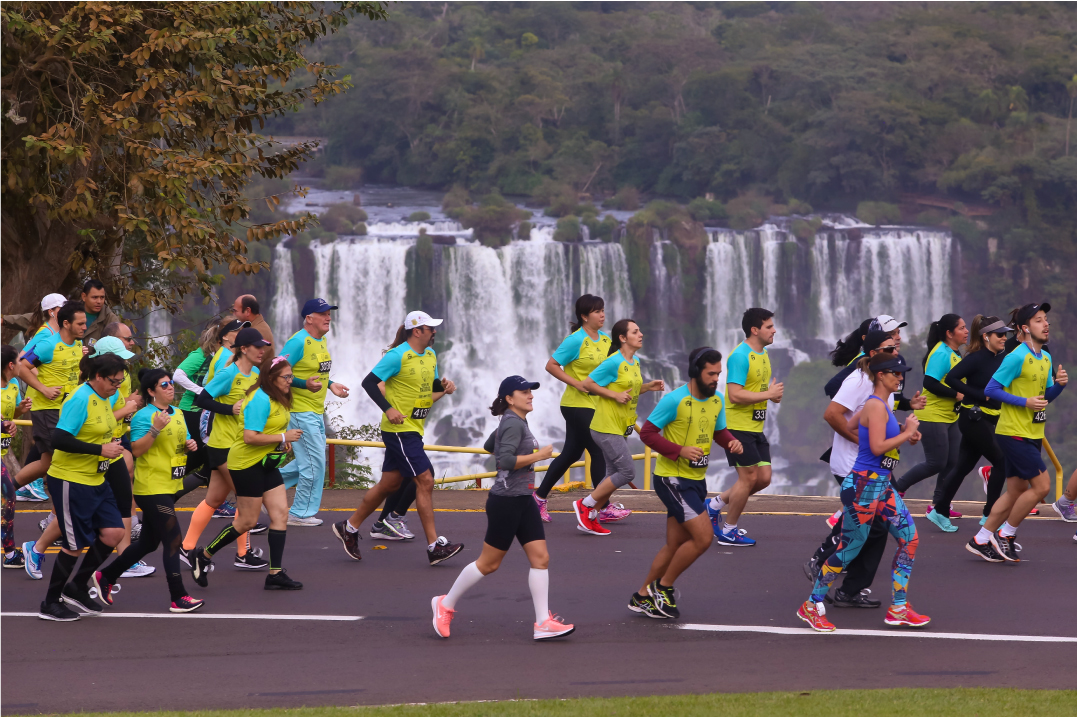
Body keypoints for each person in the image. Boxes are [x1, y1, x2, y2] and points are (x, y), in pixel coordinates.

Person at [431, 376, 573, 641]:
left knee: (540, 558)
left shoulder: (514, 421)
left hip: (523, 499)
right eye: (524, 392)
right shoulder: (512, 422)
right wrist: (538, 456)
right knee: (489, 564)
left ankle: (543, 622)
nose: (530, 395)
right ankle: (445, 603)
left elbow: (489, 446)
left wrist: (506, 433)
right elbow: (505, 461)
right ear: (509, 398)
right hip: (506, 502)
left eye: (531, 391)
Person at [799, 352, 928, 632]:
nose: (901, 377)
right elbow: (880, 447)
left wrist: (904, 432)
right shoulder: (875, 405)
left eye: (901, 373)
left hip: (880, 486)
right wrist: (907, 433)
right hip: (863, 486)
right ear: (880, 375)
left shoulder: (879, 404)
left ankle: (899, 608)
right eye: (895, 373)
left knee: (910, 539)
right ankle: (811, 605)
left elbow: (851, 424)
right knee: (848, 550)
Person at [334, 311, 464, 565]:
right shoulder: (396, 356)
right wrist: (388, 409)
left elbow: (430, 389)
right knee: (425, 480)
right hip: (399, 430)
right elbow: (369, 382)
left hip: (414, 428)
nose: (434, 332)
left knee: (389, 485)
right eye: (430, 328)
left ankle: (348, 527)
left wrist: (445, 388)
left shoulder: (430, 355)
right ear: (417, 331)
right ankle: (434, 546)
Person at [631, 348, 744, 619]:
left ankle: (642, 596)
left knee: (675, 544)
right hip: (672, 480)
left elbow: (718, 430)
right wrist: (678, 450)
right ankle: (664, 587)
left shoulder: (717, 400)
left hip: (696, 480)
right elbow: (647, 433)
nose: (716, 379)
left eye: (719, 373)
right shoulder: (675, 401)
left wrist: (730, 441)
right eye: (711, 373)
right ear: (695, 371)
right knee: (704, 538)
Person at [93, 369, 204, 612]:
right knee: (173, 539)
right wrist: (154, 429)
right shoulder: (145, 416)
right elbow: (137, 450)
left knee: (148, 544)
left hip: (170, 484)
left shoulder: (179, 414)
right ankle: (178, 596)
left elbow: (179, 445)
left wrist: (189, 445)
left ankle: (106, 577)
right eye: (164, 385)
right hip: (151, 487)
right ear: (152, 391)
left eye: (171, 383)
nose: (170, 388)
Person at [190, 356, 304, 590]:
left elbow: (273, 427)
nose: (290, 381)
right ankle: (204, 555)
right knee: (247, 521)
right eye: (287, 377)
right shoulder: (259, 399)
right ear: (272, 378)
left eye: (291, 376)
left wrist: (281, 442)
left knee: (280, 513)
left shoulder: (278, 397)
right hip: (245, 465)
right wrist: (283, 437)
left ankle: (275, 573)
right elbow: (249, 437)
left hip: (265, 462)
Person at [968, 303, 1067, 562]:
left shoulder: (1044, 357)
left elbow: (1044, 398)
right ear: (1025, 328)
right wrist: (1024, 402)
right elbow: (991, 390)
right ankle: (1006, 533)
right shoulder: (1016, 356)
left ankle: (980, 539)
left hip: (1032, 433)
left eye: (1046, 319)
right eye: (1038, 320)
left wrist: (1059, 386)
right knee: (1042, 486)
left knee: (1015, 491)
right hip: (1013, 432)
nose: (1045, 324)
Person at [36, 352, 128, 621]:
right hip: (70, 480)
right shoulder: (79, 399)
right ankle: (50, 602)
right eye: (114, 381)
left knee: (114, 533)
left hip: (97, 479)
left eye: (121, 381)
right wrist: (100, 449)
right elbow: (59, 440)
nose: (117, 386)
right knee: (74, 544)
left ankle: (76, 587)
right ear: (98, 377)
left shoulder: (105, 396)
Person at [184, 327, 269, 570]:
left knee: (214, 499)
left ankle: (187, 547)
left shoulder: (255, 375)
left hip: (238, 446)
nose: (262, 351)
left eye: (263, 347)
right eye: (258, 347)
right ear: (244, 349)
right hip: (223, 446)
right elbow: (202, 399)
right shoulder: (228, 373)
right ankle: (243, 553)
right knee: (246, 499)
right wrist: (229, 409)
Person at [571, 318, 664, 536]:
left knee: (612, 473)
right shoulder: (613, 362)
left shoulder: (635, 361)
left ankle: (592, 515)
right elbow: (588, 384)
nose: (640, 334)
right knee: (627, 471)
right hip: (605, 426)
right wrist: (613, 394)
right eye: (635, 331)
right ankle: (585, 505)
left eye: (640, 330)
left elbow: (629, 389)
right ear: (623, 338)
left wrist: (648, 387)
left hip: (621, 426)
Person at [927, 316, 1012, 532]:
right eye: (1000, 334)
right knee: (1002, 461)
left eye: (1005, 334)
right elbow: (951, 379)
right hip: (973, 418)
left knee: (963, 466)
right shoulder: (976, 358)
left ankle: (940, 510)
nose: (1004, 338)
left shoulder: (1001, 357)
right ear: (986, 337)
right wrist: (978, 395)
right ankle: (990, 514)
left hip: (990, 417)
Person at [533, 294, 613, 523]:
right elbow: (551, 365)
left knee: (571, 453)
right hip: (576, 404)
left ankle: (538, 498)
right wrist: (576, 383)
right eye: (597, 311)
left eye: (603, 310)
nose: (602, 315)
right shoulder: (575, 340)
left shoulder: (606, 341)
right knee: (598, 450)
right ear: (584, 316)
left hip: (595, 404)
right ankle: (602, 506)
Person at [706, 307, 783, 547]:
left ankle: (714, 504)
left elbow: (759, 391)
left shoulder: (763, 354)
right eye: (769, 327)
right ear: (755, 330)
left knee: (764, 478)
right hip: (736, 427)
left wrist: (771, 396)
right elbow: (734, 394)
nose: (774, 330)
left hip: (755, 427)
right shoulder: (739, 356)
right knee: (748, 478)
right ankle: (729, 530)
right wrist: (768, 394)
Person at [279, 298, 350, 526]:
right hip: (299, 410)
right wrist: (303, 385)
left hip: (315, 410)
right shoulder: (297, 342)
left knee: (309, 461)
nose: (328, 317)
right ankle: (299, 513)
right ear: (309, 318)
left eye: (329, 313)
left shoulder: (321, 340)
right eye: (323, 313)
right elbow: (276, 372)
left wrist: (331, 385)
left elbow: (317, 372)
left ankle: (264, 485)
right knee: (314, 463)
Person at [893, 314, 969, 517]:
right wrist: (957, 394)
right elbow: (930, 383)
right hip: (932, 415)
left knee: (952, 462)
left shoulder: (954, 352)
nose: (966, 331)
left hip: (950, 416)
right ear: (949, 333)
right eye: (962, 328)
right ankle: (896, 489)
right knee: (936, 462)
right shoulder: (941, 353)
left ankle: (939, 504)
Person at [14, 301, 87, 505]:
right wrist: (44, 389)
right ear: (66, 323)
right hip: (47, 410)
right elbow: (21, 367)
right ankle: (59, 512)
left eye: (85, 323)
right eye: (80, 324)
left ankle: (7, 490)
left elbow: (73, 373)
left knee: (46, 461)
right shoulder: (48, 345)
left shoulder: (78, 344)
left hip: (67, 409)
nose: (85, 327)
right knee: (61, 460)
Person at [91, 335, 151, 576]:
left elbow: (112, 417)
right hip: (91, 456)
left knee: (125, 499)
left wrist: (128, 408)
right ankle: (39, 546)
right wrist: (126, 407)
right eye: (118, 360)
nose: (122, 370)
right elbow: (93, 423)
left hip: (111, 447)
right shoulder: (88, 391)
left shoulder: (114, 385)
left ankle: (125, 561)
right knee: (81, 512)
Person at [171, 319, 223, 499]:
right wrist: (202, 391)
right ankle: (169, 488)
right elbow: (178, 375)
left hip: (206, 411)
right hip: (193, 410)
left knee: (202, 458)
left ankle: (169, 486)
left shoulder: (221, 358)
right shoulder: (202, 355)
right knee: (206, 459)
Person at [3, 345, 33, 568]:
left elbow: (8, 416)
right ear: (11, 365)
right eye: (20, 361)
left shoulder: (13, 386)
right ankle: (10, 552)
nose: (24, 365)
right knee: (9, 496)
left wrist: (19, 411)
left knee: (8, 497)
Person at [79, 279, 122, 344]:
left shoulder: (110, 319)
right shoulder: (70, 313)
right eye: (95, 297)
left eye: (102, 297)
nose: (99, 301)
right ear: (84, 297)